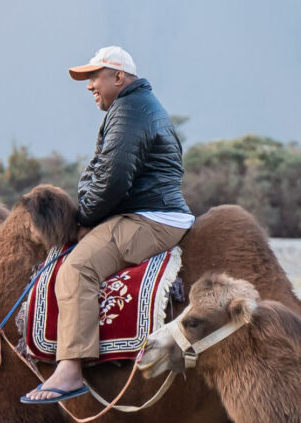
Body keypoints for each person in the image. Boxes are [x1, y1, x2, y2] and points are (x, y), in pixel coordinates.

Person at [26, 45, 191, 404]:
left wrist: (83, 219)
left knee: (76, 269)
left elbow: (112, 180)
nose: (88, 86)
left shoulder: (129, 111)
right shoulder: (134, 107)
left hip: (148, 218)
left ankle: (70, 369)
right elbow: (99, 172)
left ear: (118, 77)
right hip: (148, 212)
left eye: (94, 77)